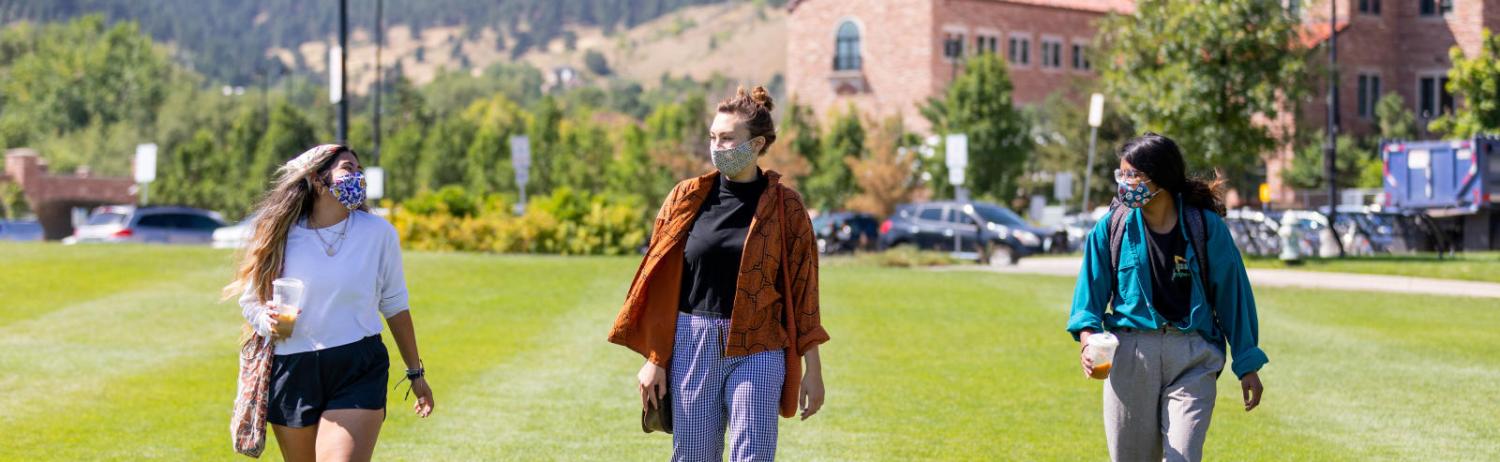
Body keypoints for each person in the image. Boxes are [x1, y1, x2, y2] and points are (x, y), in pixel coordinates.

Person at [608, 86, 830, 461]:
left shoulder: (786, 207)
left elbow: (803, 289)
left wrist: (814, 370)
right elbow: (660, 284)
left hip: (759, 345)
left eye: (728, 138)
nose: (717, 146)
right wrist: (655, 357)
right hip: (692, 342)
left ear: (757, 144)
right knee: (694, 455)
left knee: (754, 455)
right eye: (713, 137)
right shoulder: (686, 198)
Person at [225, 144, 434, 462]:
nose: (358, 177)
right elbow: (251, 301)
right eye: (348, 169)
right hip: (292, 368)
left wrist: (415, 374)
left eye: (360, 171)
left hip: (358, 365)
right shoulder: (279, 235)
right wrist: (266, 320)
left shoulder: (378, 233)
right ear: (316, 179)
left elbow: (394, 304)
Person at [1066, 133, 1267, 462]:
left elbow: (1234, 296)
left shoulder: (1206, 228)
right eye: (1121, 175)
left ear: (1160, 177)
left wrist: (1247, 364)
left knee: (1184, 456)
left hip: (1192, 358)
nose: (1124, 183)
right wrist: (1088, 341)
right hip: (1130, 356)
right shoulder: (1111, 227)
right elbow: (1088, 299)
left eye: (1133, 175)